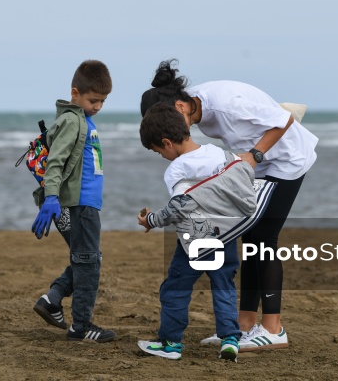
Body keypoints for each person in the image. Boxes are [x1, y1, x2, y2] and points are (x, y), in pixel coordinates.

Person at [140, 59, 318, 351]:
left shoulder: (224, 105)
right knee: (250, 238)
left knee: (264, 239)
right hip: (257, 166)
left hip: (286, 161)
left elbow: (283, 119)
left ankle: (274, 328)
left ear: (181, 107)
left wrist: (254, 155)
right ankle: (244, 325)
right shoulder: (193, 109)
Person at [136, 103, 262, 362]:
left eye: (159, 151)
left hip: (196, 240)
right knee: (223, 286)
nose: (162, 156)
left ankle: (171, 344)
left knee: (175, 288)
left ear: (167, 142)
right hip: (226, 236)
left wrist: (150, 220)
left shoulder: (177, 169)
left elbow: (179, 207)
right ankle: (229, 340)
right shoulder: (218, 153)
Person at [30, 59, 116, 343]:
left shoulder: (83, 120)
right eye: (93, 100)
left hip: (83, 203)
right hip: (78, 204)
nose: (98, 107)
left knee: (87, 259)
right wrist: (52, 197)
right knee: (89, 260)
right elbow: (55, 162)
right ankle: (81, 326)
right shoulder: (72, 120)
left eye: (102, 101)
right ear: (75, 93)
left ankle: (52, 299)